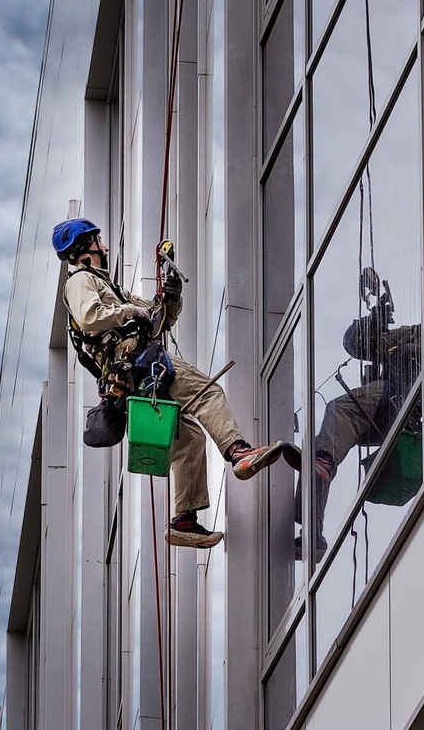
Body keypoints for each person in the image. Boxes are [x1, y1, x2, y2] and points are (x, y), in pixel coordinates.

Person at [54, 217, 294, 548]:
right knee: (207, 393)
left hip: (132, 374)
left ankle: (184, 520)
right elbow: (90, 317)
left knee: (188, 435)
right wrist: (130, 313)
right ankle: (239, 453)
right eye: (99, 241)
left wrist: (171, 296)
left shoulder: (109, 287)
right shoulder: (80, 280)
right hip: (139, 362)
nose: (105, 246)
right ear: (86, 247)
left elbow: (156, 319)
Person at [311, 267, 424, 526]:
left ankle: (323, 463)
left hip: (407, 399)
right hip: (389, 399)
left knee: (339, 409)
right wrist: (372, 322)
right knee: (324, 441)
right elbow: (358, 345)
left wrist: (411, 352)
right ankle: (312, 520)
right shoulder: (414, 330)